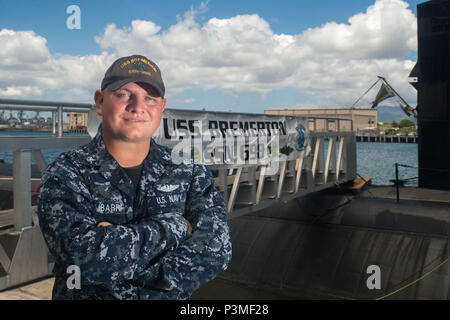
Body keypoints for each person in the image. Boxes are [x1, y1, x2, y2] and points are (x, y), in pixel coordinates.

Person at [37, 54, 232, 299]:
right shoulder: (66, 174)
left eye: (150, 98)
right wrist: (179, 226)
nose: (137, 106)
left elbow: (215, 251)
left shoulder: (190, 173)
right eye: (123, 94)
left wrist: (117, 262)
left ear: (161, 107)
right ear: (100, 102)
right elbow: (83, 258)